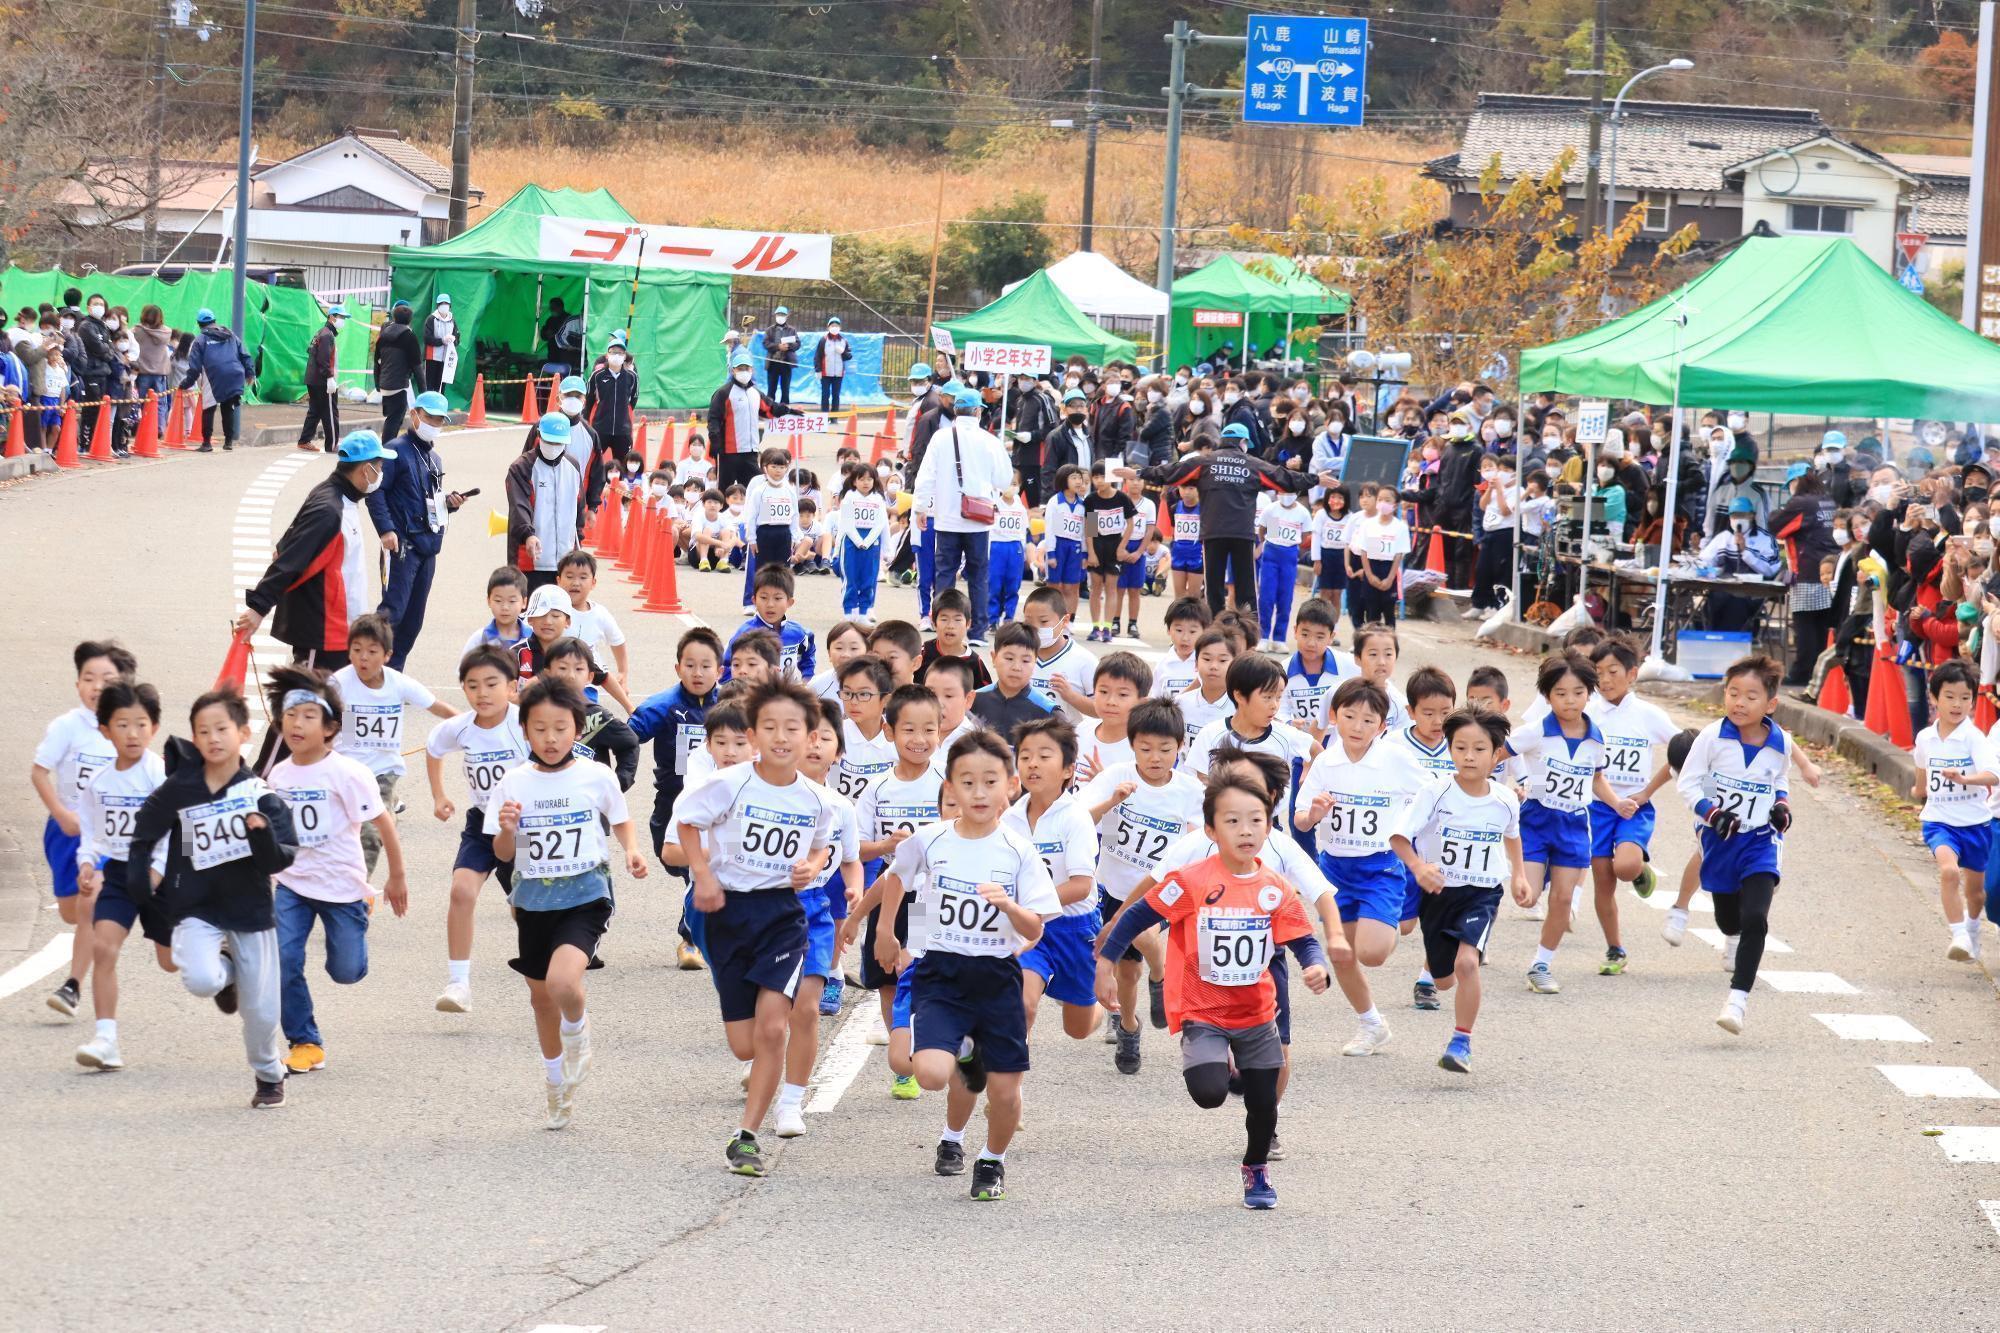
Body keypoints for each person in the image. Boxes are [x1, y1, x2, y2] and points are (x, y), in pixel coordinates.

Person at [1097, 772, 1330, 1209]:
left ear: (1268, 826)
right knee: (1209, 1093)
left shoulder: (1274, 887)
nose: (1246, 831)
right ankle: (1220, 1059)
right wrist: (1106, 962)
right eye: (1233, 821)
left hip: (1259, 1015)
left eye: (1256, 821)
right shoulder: (1190, 881)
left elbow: (1303, 938)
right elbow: (1135, 917)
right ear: (1210, 830)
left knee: (1263, 1105)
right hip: (1203, 1011)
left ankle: (1256, 1169)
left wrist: (1315, 966)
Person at [677, 680, 853, 1177]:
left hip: (781, 916)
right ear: (753, 735)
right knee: (745, 1044)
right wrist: (704, 875)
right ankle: (757, 1089)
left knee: (776, 1027)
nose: (781, 737)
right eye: (770, 727)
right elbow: (687, 822)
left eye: (792, 728)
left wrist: (810, 865)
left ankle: (748, 1135)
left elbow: (823, 846)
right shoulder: (730, 783)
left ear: (810, 736)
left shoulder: (819, 800)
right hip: (726, 914)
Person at [873, 729, 1058, 1201]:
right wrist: (886, 932)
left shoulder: (1019, 851)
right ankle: (966, 1051)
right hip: (942, 972)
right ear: (950, 788)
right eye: (967, 783)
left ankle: (992, 1160)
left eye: (990, 781)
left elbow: (1035, 929)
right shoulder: (931, 840)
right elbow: (896, 877)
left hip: (996, 978)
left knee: (1003, 1091)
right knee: (931, 1074)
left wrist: (1010, 908)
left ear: (1010, 786)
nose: (979, 792)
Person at [125, 689, 299, 1109]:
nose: (213, 738)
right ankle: (227, 972)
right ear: (194, 738)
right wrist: (138, 883)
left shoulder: (258, 794)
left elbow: (282, 857)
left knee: (260, 1014)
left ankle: (269, 1074)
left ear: (243, 734)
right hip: (195, 906)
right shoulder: (180, 789)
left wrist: (260, 835)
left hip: (250, 910)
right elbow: (145, 833)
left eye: (222, 729)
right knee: (200, 978)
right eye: (203, 731)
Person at [489, 678, 648, 1129]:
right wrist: (505, 829)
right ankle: (555, 1084)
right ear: (525, 731)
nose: (551, 738)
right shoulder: (513, 782)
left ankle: (578, 1032)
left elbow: (620, 818)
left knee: (562, 981)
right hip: (534, 899)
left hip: (585, 894)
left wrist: (632, 851)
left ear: (578, 729)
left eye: (561, 728)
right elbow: (502, 854)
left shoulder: (596, 775)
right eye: (540, 729)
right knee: (540, 999)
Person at [263, 666, 407, 1076]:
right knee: (284, 958)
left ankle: (360, 914)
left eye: (309, 716)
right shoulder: (280, 775)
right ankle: (305, 1041)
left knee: (346, 971)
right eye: (291, 715)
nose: (298, 723)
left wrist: (395, 876)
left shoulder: (348, 773)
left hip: (342, 886)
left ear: (330, 728)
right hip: (293, 884)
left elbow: (383, 823)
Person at [1389, 707, 1529, 1074]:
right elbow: (1399, 837)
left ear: (1497, 754)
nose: (1469, 756)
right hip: (1438, 894)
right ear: (1450, 749)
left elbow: (1512, 836)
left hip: (1481, 893)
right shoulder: (1435, 792)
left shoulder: (1504, 799)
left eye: (1479, 749)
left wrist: (1519, 876)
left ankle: (1461, 1041)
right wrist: (1419, 868)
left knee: (1468, 963)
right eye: (1461, 747)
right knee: (1443, 978)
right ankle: (1441, 981)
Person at [1678, 655, 1794, 1033]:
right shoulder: (1712, 737)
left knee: (1756, 917)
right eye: (1733, 693)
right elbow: (1688, 783)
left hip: (1760, 841)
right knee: (1728, 919)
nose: (1739, 703)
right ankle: (1730, 937)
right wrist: (1712, 814)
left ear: (1770, 704)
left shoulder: (1781, 744)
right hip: (1720, 841)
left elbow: (1780, 780)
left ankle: (1737, 1000)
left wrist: (1781, 807)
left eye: (1751, 696)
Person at [34, 639, 138, 1019]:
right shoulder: (67, 727)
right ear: (77, 683)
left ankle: (72, 986)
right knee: (72, 911)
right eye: (88, 678)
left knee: (90, 903)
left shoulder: (126, 726)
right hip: (65, 831)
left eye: (106, 678)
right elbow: (39, 772)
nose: (96, 686)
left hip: (105, 836)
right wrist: (61, 813)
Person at [425, 645, 531, 1014]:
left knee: (528, 908)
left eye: (491, 684)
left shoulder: (524, 724)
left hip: (524, 828)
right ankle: (458, 983)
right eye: (472, 686)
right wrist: (439, 795)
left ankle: (544, 966)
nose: (482, 693)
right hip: (481, 823)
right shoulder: (462, 727)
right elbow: (434, 747)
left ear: (512, 686)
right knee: (461, 892)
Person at [71, 678, 170, 1072]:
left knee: (171, 962)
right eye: (123, 724)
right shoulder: (98, 782)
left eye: (141, 724)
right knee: (103, 947)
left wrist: (157, 872)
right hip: (117, 875)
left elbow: (171, 830)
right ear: (105, 730)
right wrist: (86, 864)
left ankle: (220, 956)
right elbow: (91, 835)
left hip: (157, 874)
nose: (133, 733)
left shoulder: (158, 775)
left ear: (154, 728)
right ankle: (106, 1040)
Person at [236, 432, 396, 671]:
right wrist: (258, 607)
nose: (380, 474)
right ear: (365, 469)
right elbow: (290, 558)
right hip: (323, 634)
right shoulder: (329, 510)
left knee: (332, 706)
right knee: (311, 705)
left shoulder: (340, 498)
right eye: (379, 466)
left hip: (343, 632)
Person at [1510, 653, 1620, 995]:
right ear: (1547, 696)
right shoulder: (1535, 733)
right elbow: (1495, 754)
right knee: (1526, 899)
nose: (1569, 700)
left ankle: (1540, 965)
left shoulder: (1596, 739)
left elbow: (1597, 778)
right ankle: (1534, 874)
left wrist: (1617, 803)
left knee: (1562, 899)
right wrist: (1505, 787)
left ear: (1590, 693)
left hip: (1573, 824)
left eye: (1577, 692)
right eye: (1560, 693)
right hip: (1536, 820)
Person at [1130, 421, 1315, 615]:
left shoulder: (1206, 461)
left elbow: (1171, 471)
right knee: (1246, 588)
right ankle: (1249, 633)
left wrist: (1139, 472)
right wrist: (1316, 479)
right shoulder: (1252, 464)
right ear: (1242, 442)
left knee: (1214, 588)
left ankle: (1213, 629)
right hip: (1242, 535)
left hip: (1213, 533)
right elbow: (1283, 477)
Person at [368, 392, 464, 669]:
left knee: (413, 619)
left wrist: (450, 503)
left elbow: (430, 502)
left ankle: (393, 672)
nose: (434, 423)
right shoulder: (395, 450)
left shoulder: (434, 458)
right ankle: (367, 666)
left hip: (428, 546)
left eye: (439, 419)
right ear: (415, 415)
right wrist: (386, 530)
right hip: (401, 546)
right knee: (392, 612)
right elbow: (375, 493)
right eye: (430, 417)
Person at [1912, 659, 1999, 963]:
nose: (1957, 704)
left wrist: (1965, 779)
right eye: (1949, 696)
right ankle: (1959, 932)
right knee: (1948, 871)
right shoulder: (1925, 737)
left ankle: (1973, 930)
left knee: (1976, 894)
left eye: (1965, 698)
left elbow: (1993, 774)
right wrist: (1918, 791)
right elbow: (1921, 777)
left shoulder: (1975, 737)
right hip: (1939, 822)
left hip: (1976, 824)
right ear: (1934, 698)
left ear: (1973, 702)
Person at [915, 384, 1010, 643]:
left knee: (944, 574)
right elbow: (1004, 479)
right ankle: (978, 629)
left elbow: (925, 477)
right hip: (978, 521)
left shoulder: (941, 437)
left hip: (946, 517)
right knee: (979, 575)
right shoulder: (990, 441)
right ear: (978, 411)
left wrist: (921, 508)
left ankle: (943, 627)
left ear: (956, 410)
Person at [1770, 467, 1842, 687]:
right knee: (1823, 628)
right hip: (1831, 569)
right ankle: (1821, 675)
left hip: (1808, 571)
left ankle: (1803, 673)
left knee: (1805, 626)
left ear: (1796, 482)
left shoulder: (1801, 503)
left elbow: (1776, 526)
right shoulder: (1827, 500)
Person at [505, 413, 587, 592]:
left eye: (558, 442)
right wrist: (528, 535)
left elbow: (579, 508)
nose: (553, 446)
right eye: (549, 441)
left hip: (565, 563)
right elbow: (519, 507)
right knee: (529, 614)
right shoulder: (521, 467)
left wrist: (579, 541)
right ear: (539, 436)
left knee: (561, 615)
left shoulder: (573, 467)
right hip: (530, 560)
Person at [1696, 497, 1784, 633]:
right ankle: (1710, 641)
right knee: (1708, 607)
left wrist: (1745, 552)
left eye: (1742, 515)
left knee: (1735, 606)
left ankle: (1728, 645)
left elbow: (1770, 569)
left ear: (1752, 516)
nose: (1738, 519)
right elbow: (1704, 560)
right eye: (1735, 516)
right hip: (1724, 591)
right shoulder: (1724, 538)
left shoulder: (1764, 539)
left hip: (1752, 594)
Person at [180, 308, 254, 453]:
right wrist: (250, 372)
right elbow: (245, 354)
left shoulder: (200, 340)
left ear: (199, 323)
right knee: (228, 407)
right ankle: (228, 442)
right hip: (234, 373)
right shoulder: (230, 334)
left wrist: (186, 383)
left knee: (209, 408)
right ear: (214, 320)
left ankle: (207, 443)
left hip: (213, 374)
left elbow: (194, 367)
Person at [710, 350, 773, 492]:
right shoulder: (723, 393)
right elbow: (713, 420)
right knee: (725, 490)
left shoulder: (756, 393)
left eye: (746, 368)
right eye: (740, 368)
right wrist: (716, 445)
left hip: (750, 452)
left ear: (752, 370)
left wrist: (791, 413)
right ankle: (723, 513)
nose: (744, 371)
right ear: (733, 370)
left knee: (755, 490)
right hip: (728, 453)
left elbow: (770, 409)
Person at [584, 331, 639, 468]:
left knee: (621, 467)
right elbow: (589, 398)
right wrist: (586, 422)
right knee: (592, 464)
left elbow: (633, 399)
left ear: (624, 356)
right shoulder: (597, 375)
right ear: (607, 355)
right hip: (600, 428)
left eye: (620, 353)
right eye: (613, 352)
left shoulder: (632, 376)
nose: (616, 355)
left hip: (623, 431)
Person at [298, 304, 346, 454]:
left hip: (313, 378)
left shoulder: (321, 332)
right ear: (332, 317)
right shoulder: (327, 335)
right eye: (341, 317)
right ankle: (332, 445)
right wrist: (329, 377)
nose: (342, 320)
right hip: (322, 380)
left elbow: (311, 351)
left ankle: (304, 440)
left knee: (316, 410)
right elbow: (323, 359)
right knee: (330, 411)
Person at [373, 300, 422, 442]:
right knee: (394, 419)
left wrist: (377, 383)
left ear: (394, 317)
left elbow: (377, 362)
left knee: (394, 417)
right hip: (399, 385)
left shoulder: (383, 336)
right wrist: (424, 392)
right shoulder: (409, 337)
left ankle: (389, 446)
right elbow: (417, 367)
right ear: (410, 320)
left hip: (384, 383)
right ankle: (387, 449)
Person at [762, 306, 801, 409]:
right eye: (778, 315)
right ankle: (770, 410)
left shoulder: (792, 330)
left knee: (785, 388)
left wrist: (788, 346)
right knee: (771, 388)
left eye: (782, 315)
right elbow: (765, 343)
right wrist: (777, 346)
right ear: (775, 316)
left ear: (786, 316)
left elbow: (797, 344)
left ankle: (784, 411)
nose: (780, 317)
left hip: (786, 363)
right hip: (773, 363)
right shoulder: (769, 330)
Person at [420, 293, 458, 395]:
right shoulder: (431, 319)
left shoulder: (452, 320)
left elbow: (457, 337)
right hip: (432, 356)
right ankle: (428, 405)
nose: (444, 306)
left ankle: (439, 404)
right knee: (429, 383)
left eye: (446, 303)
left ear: (450, 306)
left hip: (446, 357)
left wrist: (454, 339)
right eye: (442, 303)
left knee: (441, 384)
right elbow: (427, 338)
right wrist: (442, 341)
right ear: (438, 305)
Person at [539, 297, 580, 378]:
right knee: (552, 377)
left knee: (564, 375)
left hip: (565, 354)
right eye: (551, 308)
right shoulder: (550, 319)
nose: (552, 310)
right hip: (552, 353)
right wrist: (546, 334)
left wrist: (555, 334)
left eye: (554, 308)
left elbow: (571, 336)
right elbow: (543, 335)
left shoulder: (569, 319)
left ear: (560, 307)